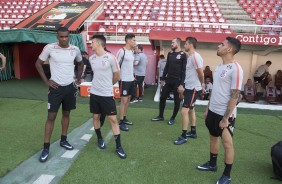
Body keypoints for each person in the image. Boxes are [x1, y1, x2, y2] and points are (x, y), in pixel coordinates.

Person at [196, 37, 243, 184]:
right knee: (212, 138)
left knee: (227, 144)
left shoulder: (236, 68)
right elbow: (216, 90)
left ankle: (227, 175)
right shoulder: (220, 66)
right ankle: (212, 164)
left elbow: (235, 96)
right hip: (212, 111)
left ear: (229, 49)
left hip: (225, 115)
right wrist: (207, 109)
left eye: (222, 44)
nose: (218, 45)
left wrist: (225, 118)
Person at [35, 27, 84, 162]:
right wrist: (47, 81)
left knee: (66, 113)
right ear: (57, 37)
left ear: (69, 36)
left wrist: (78, 78)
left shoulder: (75, 49)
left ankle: (63, 140)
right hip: (55, 88)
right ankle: (46, 147)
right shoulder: (50, 48)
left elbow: (80, 63)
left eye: (66, 37)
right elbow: (38, 63)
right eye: (61, 37)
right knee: (51, 116)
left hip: (70, 87)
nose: (64, 39)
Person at [89, 34, 126, 159]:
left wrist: (107, 85)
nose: (91, 44)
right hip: (94, 93)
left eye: (92, 42)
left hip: (107, 94)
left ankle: (119, 146)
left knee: (113, 120)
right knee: (95, 117)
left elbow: (117, 76)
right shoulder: (91, 58)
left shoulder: (111, 58)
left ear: (99, 43)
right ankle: (100, 138)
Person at [174, 37, 204, 145]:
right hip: (189, 87)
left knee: (184, 111)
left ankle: (183, 136)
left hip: (194, 88)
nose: (184, 46)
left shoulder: (196, 57)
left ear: (190, 44)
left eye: (186, 44)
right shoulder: (190, 56)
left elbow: (201, 73)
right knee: (191, 109)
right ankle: (193, 132)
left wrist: (202, 85)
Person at [151, 38, 187, 125]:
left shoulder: (183, 55)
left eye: (173, 42)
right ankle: (160, 116)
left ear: (177, 44)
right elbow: (167, 67)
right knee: (162, 97)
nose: (171, 44)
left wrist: (182, 84)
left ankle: (173, 118)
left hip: (177, 81)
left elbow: (184, 70)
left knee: (176, 100)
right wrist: (162, 79)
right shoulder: (170, 53)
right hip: (168, 79)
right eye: (171, 42)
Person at [116, 34, 136, 131]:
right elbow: (116, 64)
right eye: (133, 40)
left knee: (128, 99)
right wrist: (119, 77)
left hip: (131, 79)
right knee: (123, 101)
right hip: (124, 80)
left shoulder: (131, 52)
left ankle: (124, 117)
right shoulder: (121, 51)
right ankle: (121, 122)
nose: (135, 42)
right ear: (128, 41)